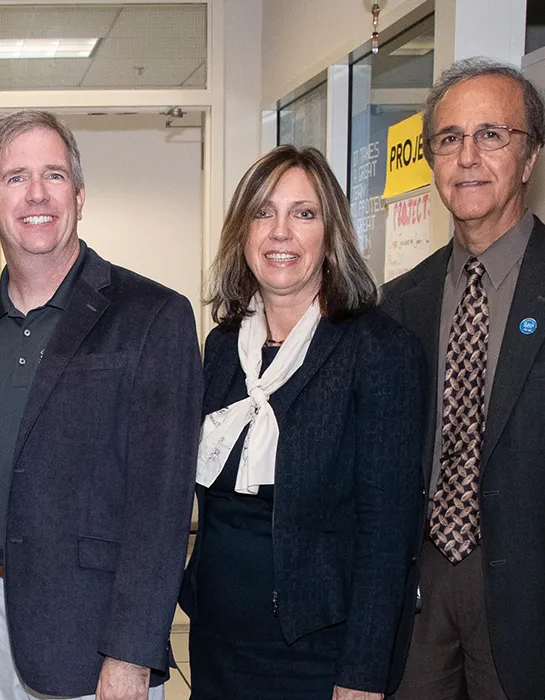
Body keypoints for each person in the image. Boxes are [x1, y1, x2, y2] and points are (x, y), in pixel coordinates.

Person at [0, 110, 202, 700]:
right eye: (15, 178)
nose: (37, 193)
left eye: (53, 174)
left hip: (93, 637)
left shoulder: (153, 317)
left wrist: (131, 650)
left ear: (79, 194)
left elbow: (162, 504)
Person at [379, 58, 545, 700]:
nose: (467, 157)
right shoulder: (397, 303)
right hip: (419, 589)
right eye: (449, 139)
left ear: (530, 158)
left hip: (535, 591)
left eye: (492, 135)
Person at [180, 146, 427, 699]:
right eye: (263, 213)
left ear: (331, 234)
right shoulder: (221, 348)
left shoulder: (378, 350)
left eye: (304, 214)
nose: (280, 233)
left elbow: (387, 534)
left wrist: (361, 676)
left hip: (317, 653)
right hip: (217, 642)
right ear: (242, 234)